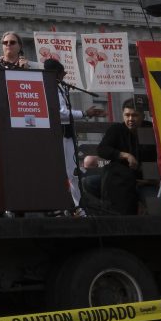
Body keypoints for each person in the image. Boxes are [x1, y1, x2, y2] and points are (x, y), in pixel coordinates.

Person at [43, 59, 103, 210]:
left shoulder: (59, 88)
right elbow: (60, 113)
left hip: (67, 134)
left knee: (73, 173)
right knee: (64, 173)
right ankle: (63, 207)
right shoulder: (49, 88)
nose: (65, 75)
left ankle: (78, 207)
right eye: (62, 73)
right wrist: (84, 113)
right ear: (55, 74)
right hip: (59, 135)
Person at [97, 99, 153, 214]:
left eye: (135, 115)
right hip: (121, 181)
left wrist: (151, 181)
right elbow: (102, 149)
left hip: (146, 181)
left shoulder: (152, 130)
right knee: (88, 182)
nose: (130, 119)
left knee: (154, 203)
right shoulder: (117, 129)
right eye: (127, 115)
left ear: (143, 116)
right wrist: (124, 155)